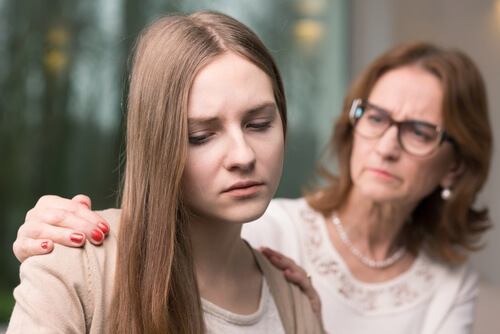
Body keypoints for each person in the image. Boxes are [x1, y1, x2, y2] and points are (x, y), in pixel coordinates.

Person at [13, 41, 492, 334]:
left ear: (455, 167)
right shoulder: (268, 221)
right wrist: (52, 244)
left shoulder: (294, 294)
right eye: (378, 118)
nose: (387, 145)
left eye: (420, 131)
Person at [7, 11, 323, 333]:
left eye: (259, 124)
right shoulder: (78, 267)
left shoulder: (293, 297)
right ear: (158, 145)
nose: (243, 155)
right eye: (200, 136)